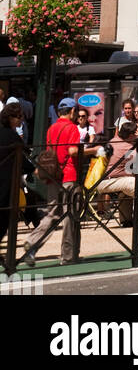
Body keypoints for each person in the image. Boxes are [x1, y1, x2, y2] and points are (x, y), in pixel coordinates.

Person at [21, 98, 82, 267]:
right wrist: (94, 150)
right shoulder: (72, 128)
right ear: (71, 111)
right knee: (70, 215)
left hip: (53, 176)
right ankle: (68, 256)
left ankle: (32, 241)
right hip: (69, 175)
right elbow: (73, 151)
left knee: (52, 213)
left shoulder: (51, 129)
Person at [98, 119, 138, 226]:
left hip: (105, 180)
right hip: (108, 182)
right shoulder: (127, 146)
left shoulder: (114, 140)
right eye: (136, 133)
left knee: (128, 186)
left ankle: (126, 220)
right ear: (131, 135)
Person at [0, 105, 34, 245]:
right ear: (9, 118)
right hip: (6, 183)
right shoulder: (12, 136)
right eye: (18, 117)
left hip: (5, 180)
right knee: (4, 219)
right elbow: (24, 159)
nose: (21, 120)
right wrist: (33, 168)